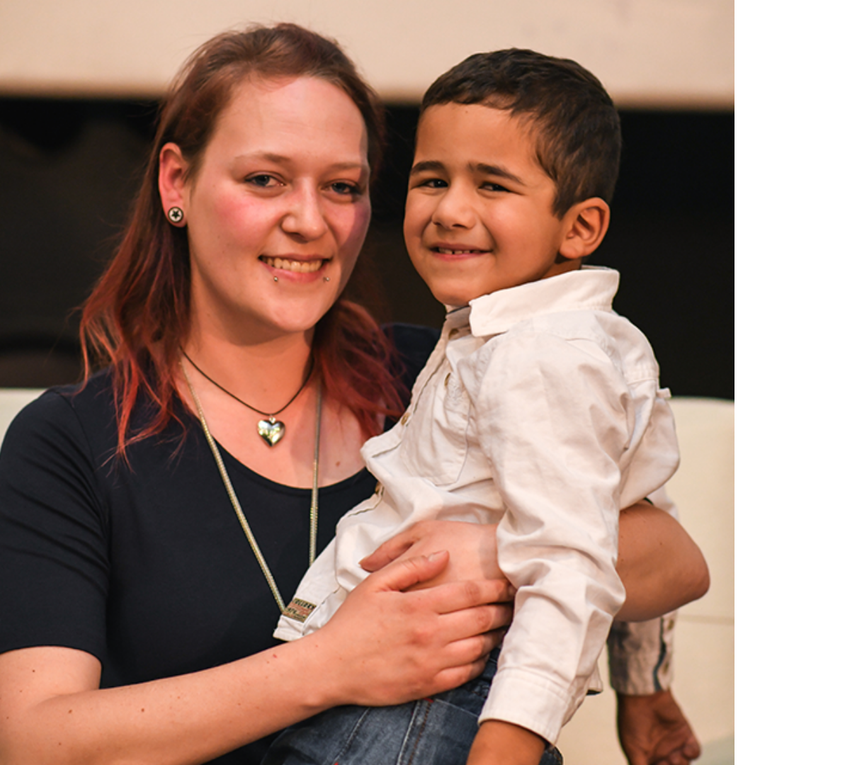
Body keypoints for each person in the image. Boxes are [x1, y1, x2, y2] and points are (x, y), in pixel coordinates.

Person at [0, 24, 708, 765]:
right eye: (265, 179)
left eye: (342, 187)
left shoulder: (440, 372)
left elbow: (676, 560)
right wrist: (330, 663)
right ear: (177, 183)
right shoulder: (72, 440)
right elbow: (37, 742)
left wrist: (488, 551)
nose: (309, 220)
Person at [269, 48, 704, 765]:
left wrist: (507, 746)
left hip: (428, 709)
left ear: (580, 228)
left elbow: (572, 560)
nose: (450, 209)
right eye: (432, 178)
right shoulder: (546, 338)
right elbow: (628, 511)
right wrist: (644, 686)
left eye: (492, 184)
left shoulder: (538, 354)